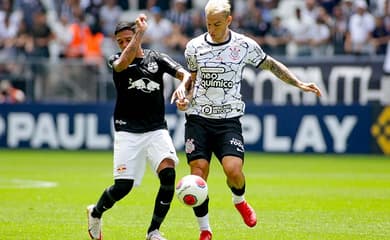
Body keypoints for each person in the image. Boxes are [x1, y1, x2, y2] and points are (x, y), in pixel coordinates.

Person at [171, 1, 322, 239]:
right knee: (197, 175)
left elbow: (271, 65)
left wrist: (299, 83)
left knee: (233, 171)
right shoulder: (194, 47)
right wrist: (184, 97)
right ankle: (205, 230)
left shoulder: (243, 45)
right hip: (197, 118)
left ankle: (239, 200)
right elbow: (191, 79)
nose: (211, 28)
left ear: (229, 21)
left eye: (217, 24)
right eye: (208, 23)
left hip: (228, 120)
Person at [86, 14, 191, 240]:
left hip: (156, 129)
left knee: (169, 175)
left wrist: (183, 90)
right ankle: (95, 213)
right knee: (123, 186)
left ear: (135, 36)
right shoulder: (116, 60)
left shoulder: (157, 59)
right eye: (120, 41)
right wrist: (140, 33)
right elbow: (123, 63)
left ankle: (153, 231)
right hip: (127, 130)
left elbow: (186, 75)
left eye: (127, 39)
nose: (124, 44)